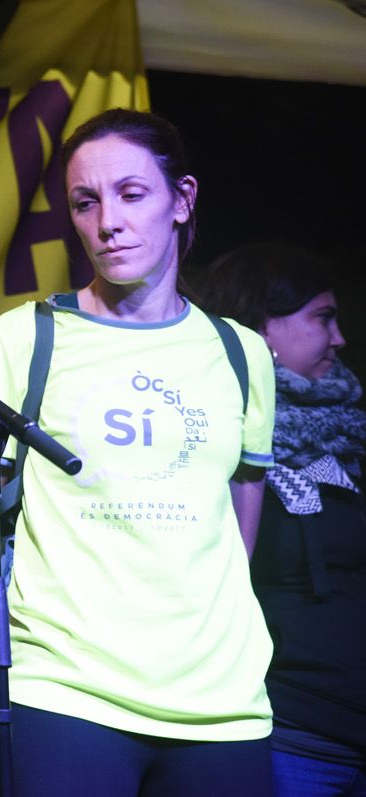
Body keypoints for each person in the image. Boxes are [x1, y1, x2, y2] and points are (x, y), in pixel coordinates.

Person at [0, 108, 277, 796]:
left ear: (182, 200)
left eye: (131, 194)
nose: (107, 220)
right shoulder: (25, 336)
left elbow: (238, 522)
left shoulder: (242, 352)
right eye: (86, 202)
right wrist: (6, 672)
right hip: (63, 699)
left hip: (223, 708)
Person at [198, 244, 366, 796]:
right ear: (260, 331)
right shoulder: (215, 440)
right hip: (293, 736)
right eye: (322, 318)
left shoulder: (350, 434)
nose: (339, 338)